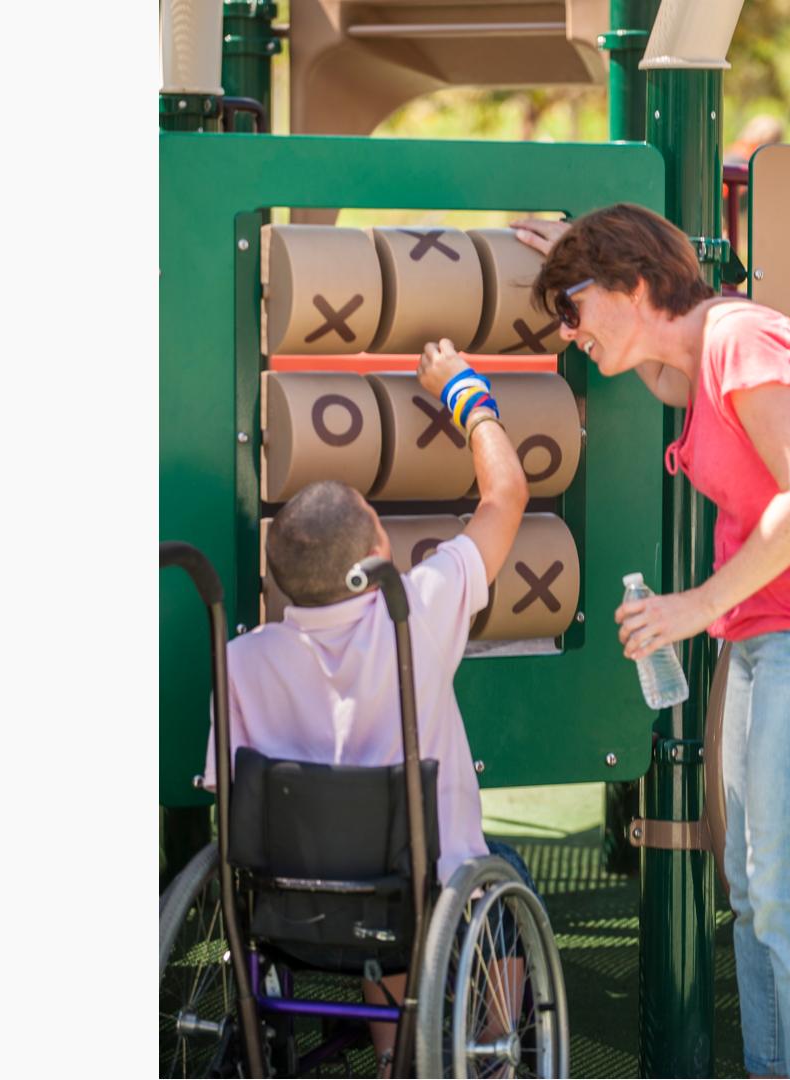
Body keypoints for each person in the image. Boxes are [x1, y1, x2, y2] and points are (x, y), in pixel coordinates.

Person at [515, 204, 790, 1079]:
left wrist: (692, 607)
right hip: (770, 640)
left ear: (632, 286)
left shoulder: (741, 341)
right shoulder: (688, 360)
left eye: (572, 309)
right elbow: (656, 360)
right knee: (757, 894)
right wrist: (568, 256)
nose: (566, 334)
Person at [204, 338, 534, 1077]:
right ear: (375, 557)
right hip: (423, 888)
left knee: (364, 868)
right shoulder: (417, 610)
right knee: (496, 869)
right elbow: (506, 496)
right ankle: (497, 1047)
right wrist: (464, 393)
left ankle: (393, 1060)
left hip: (295, 903)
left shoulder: (240, 662)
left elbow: (225, 786)